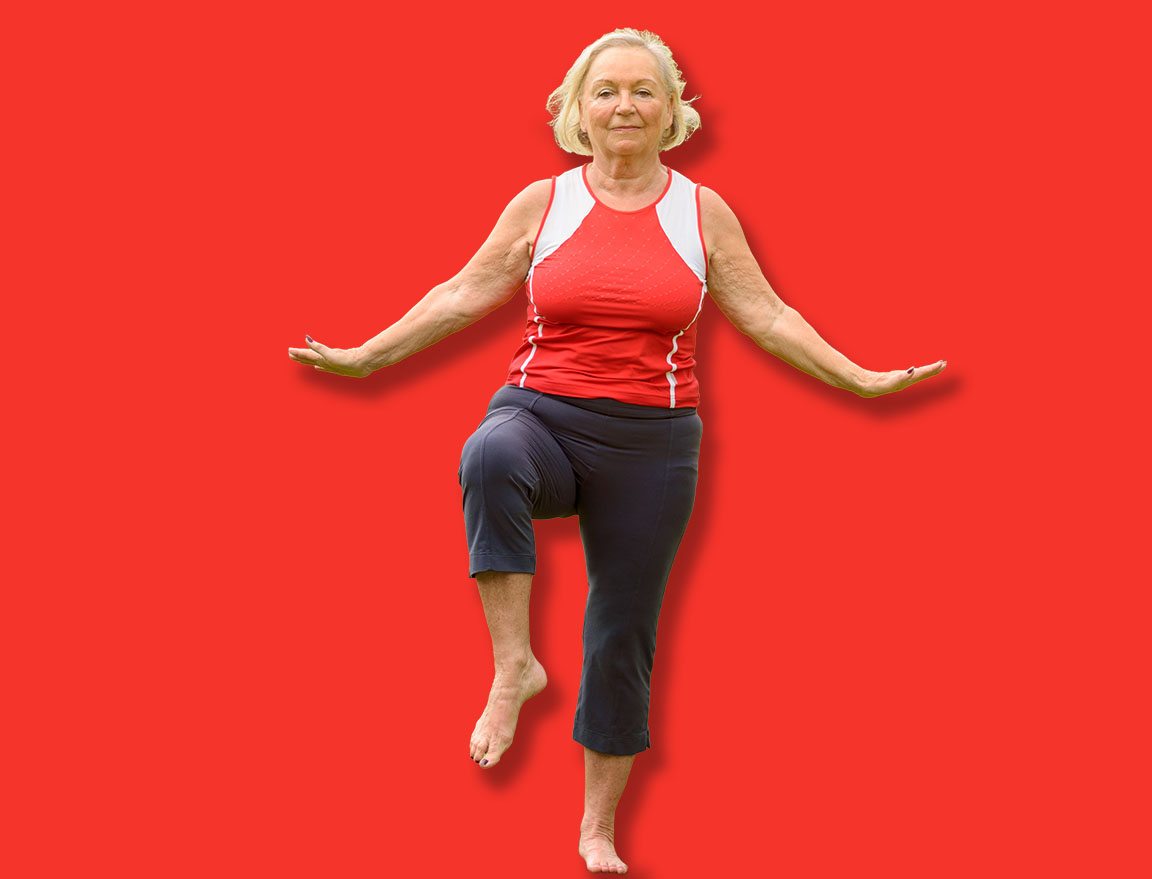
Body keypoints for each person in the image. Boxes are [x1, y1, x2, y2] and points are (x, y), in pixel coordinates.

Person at [288, 28, 945, 875]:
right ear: (574, 111)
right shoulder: (543, 203)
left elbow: (770, 315)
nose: (625, 105)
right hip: (543, 416)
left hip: (652, 440)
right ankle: (514, 666)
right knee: (490, 455)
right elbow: (462, 292)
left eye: (643, 91)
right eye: (606, 92)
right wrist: (362, 355)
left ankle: (596, 826)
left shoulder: (701, 211)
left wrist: (859, 378)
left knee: (620, 633)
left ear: (672, 110)